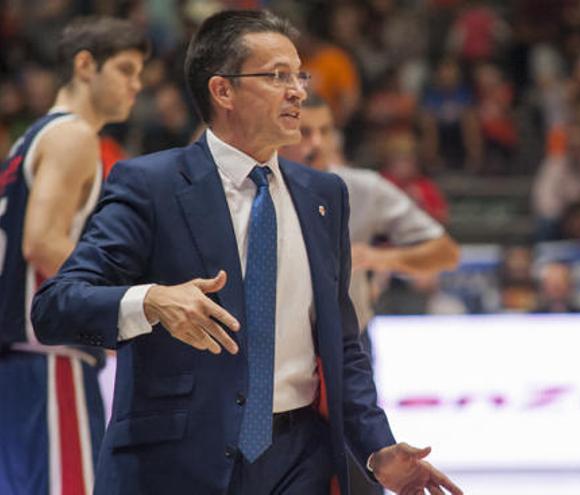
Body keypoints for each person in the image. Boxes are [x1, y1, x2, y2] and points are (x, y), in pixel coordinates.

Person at [30, 10, 461, 495]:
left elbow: (343, 346)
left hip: (302, 458)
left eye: (299, 74)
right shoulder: (150, 185)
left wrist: (376, 447)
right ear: (223, 91)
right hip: (179, 461)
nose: (298, 89)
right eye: (278, 76)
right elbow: (55, 306)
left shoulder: (326, 196)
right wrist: (149, 301)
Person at [280, 95, 460, 495]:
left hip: (347, 348)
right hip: (279, 351)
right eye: (305, 131)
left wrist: (373, 255)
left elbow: (445, 252)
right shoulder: (261, 189)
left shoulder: (361, 189)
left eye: (326, 131)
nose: (317, 142)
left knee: (361, 472)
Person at [0, 17, 147, 495]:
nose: (136, 84)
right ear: (85, 65)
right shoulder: (74, 136)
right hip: (48, 360)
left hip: (17, 365)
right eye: (126, 69)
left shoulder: (31, 140)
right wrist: (117, 308)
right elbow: (41, 242)